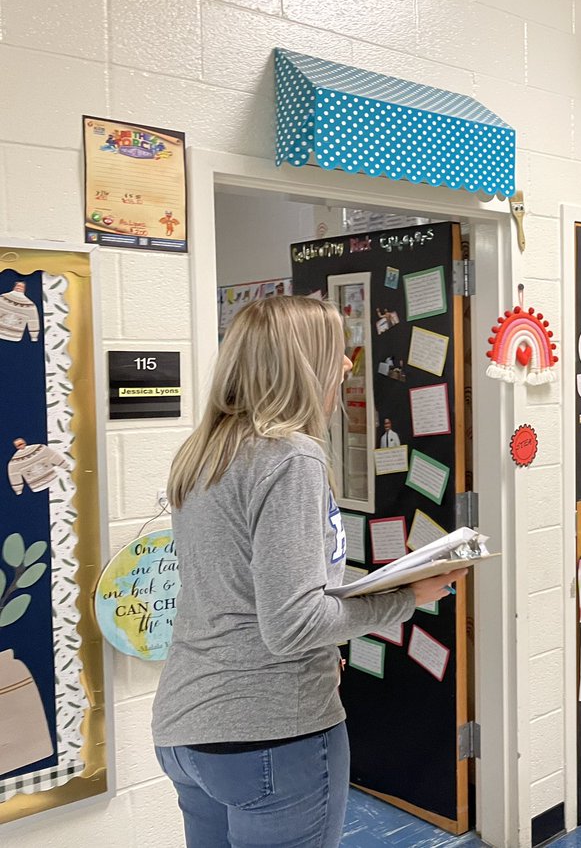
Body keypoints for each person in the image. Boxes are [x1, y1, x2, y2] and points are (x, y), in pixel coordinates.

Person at [152, 297, 463, 847]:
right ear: (302, 361)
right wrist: (406, 595)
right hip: (271, 733)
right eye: (337, 351)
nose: (347, 365)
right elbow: (292, 625)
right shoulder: (290, 457)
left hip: (188, 731)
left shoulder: (205, 454)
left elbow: (245, 591)